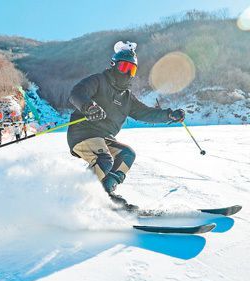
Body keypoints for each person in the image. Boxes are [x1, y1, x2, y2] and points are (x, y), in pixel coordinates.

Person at [67, 41, 185, 210]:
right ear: (113, 66)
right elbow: (77, 93)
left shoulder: (127, 98)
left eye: (132, 70)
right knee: (104, 159)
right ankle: (78, 197)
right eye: (124, 68)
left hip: (105, 137)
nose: (128, 73)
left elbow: (147, 113)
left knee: (127, 154)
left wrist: (169, 115)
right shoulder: (99, 81)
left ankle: (104, 192)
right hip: (83, 132)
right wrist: (89, 107)